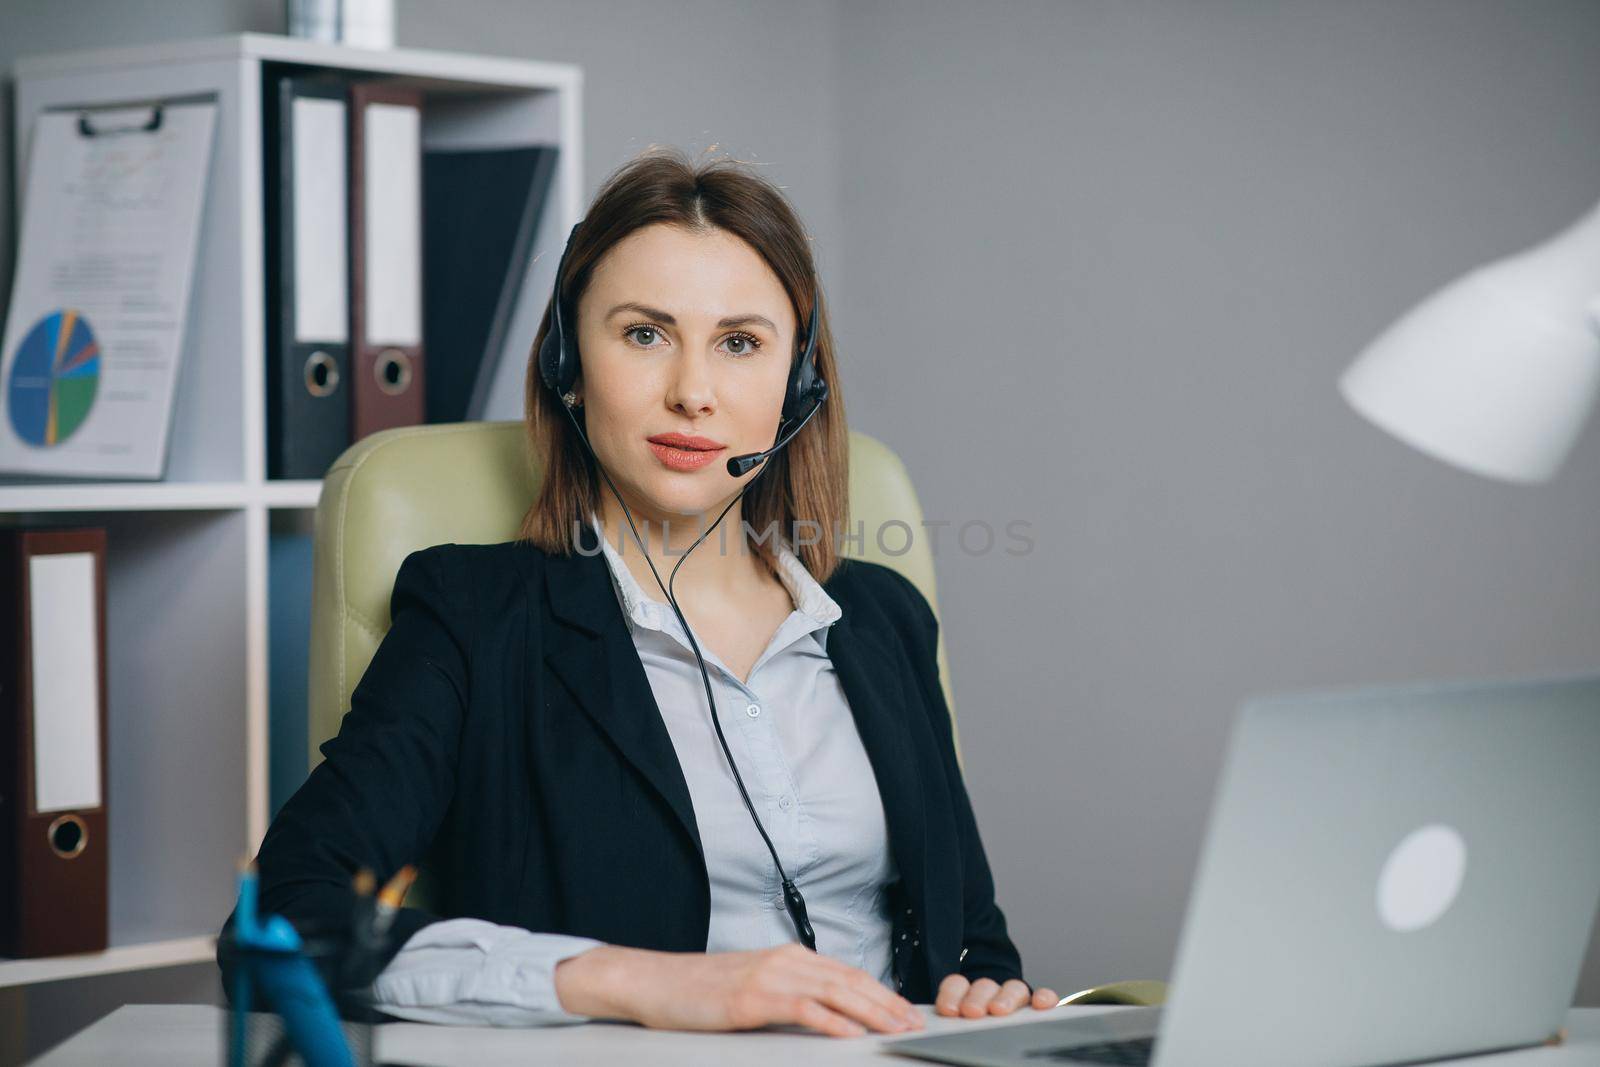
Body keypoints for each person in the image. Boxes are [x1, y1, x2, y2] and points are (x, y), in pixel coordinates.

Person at [220, 147, 1060, 1038]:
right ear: (567, 363)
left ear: (800, 384)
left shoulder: (884, 618)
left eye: (740, 343)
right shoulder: (475, 617)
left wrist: (983, 992)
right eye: (644, 334)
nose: (693, 392)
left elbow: (972, 945)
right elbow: (281, 922)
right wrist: (637, 982)